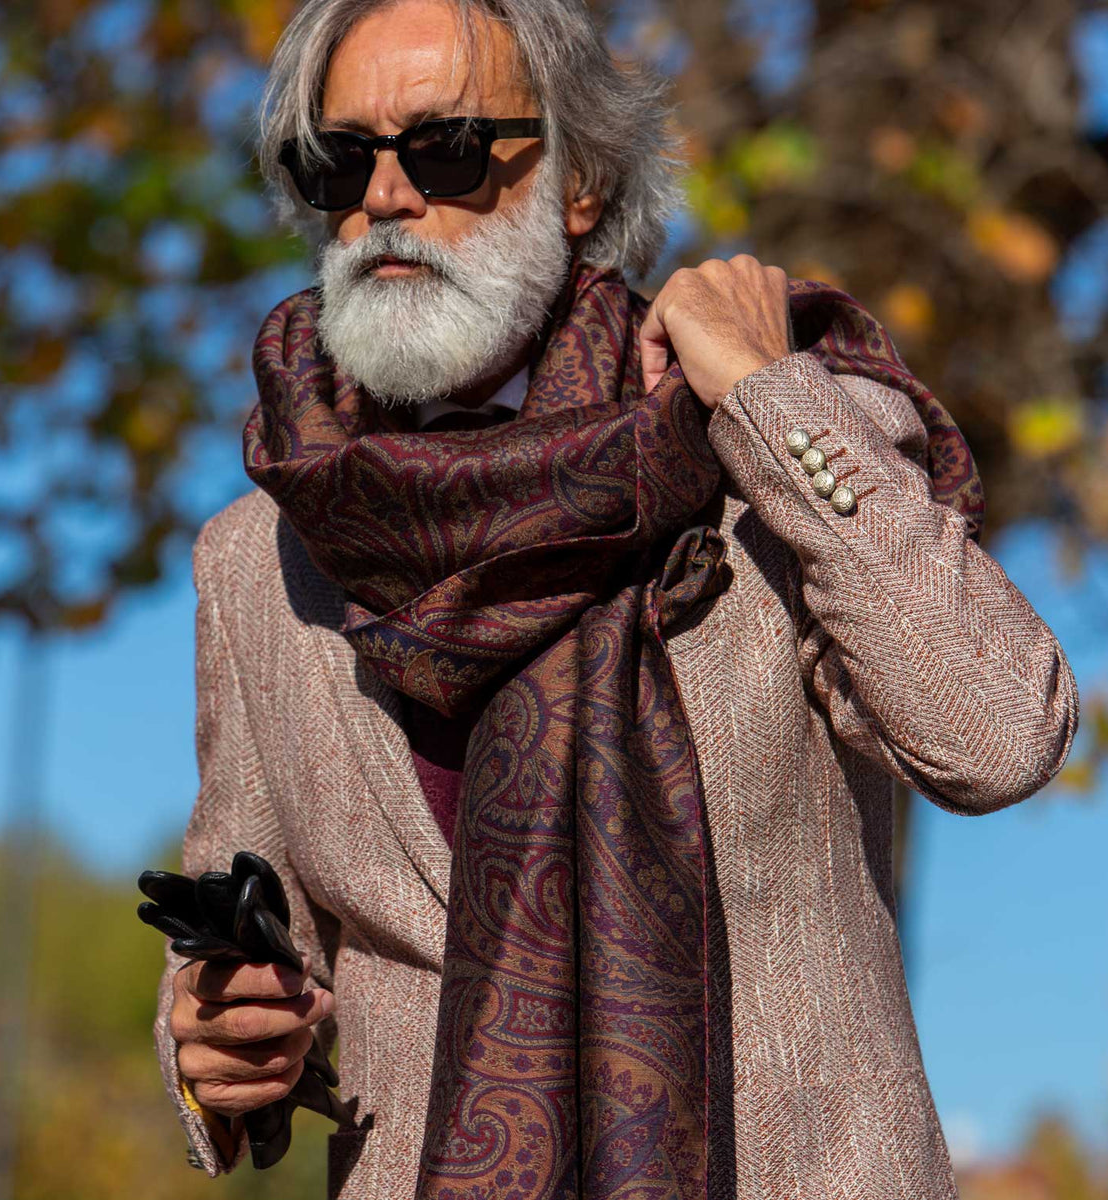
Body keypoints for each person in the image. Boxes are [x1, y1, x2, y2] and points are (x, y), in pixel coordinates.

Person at [151, 1, 1079, 1197]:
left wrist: (763, 387)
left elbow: (999, 732)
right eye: (340, 159)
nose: (385, 198)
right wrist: (216, 1034)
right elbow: (246, 919)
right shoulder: (256, 562)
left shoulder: (759, 453)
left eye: (445, 149)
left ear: (580, 182)